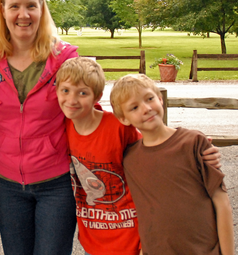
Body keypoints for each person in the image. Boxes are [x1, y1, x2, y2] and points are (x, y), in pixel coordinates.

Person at [0, 0, 78, 255]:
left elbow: (88, 115)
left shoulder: (65, 59)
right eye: (14, 6)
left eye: (31, 6)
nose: (23, 14)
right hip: (6, 187)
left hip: (56, 184)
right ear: (2, 12)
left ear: (42, 10)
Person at [111, 74, 234, 255]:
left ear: (160, 100)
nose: (146, 109)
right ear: (124, 119)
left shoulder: (194, 143)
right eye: (134, 107)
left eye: (150, 99)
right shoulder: (130, 159)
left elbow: (222, 204)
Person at [55, 57, 141, 255]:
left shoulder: (119, 126)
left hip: (129, 235)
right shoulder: (61, 126)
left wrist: (194, 146)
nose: (72, 100)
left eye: (82, 93)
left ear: (97, 97)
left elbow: (154, 150)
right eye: (65, 90)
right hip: (92, 238)